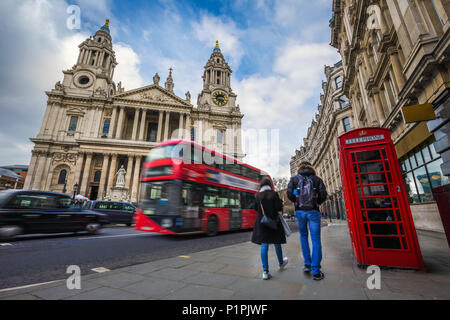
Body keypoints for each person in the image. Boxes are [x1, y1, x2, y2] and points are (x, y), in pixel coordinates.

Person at [287, 161, 327, 280]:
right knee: (316, 240)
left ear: (299, 168)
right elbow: (323, 195)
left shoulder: (294, 179)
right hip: (313, 211)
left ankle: (307, 265)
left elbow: (290, 194)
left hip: (300, 212)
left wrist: (296, 201)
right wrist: (317, 203)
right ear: (311, 168)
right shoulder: (317, 179)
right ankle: (316, 270)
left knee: (303, 237)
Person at [251, 177, 288, 280]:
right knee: (277, 242)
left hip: (262, 223)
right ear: (269, 185)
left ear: (261, 185)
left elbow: (254, 208)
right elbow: (279, 207)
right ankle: (281, 262)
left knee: (264, 245)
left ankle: (265, 272)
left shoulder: (258, 196)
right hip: (273, 223)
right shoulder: (274, 194)